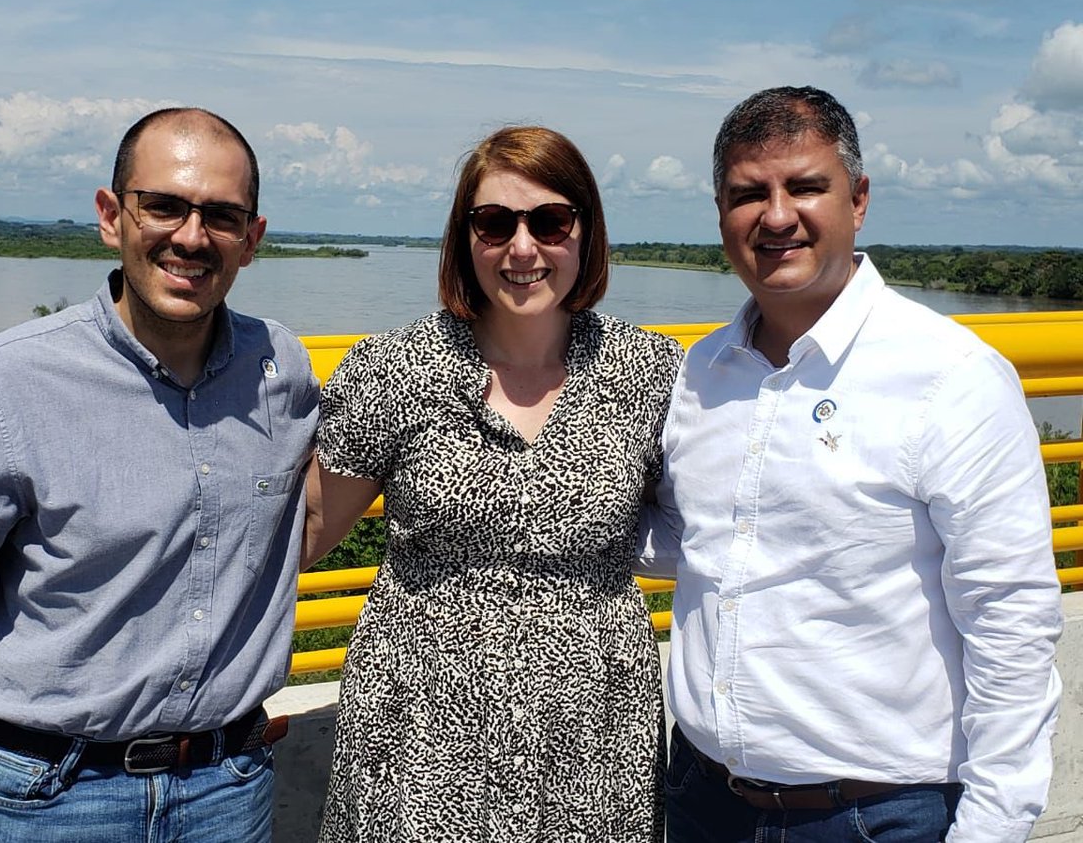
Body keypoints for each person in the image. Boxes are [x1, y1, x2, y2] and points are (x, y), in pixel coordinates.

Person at [639, 86, 1063, 843]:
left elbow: (1010, 618)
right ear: (719, 214)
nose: (775, 216)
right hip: (704, 798)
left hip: (876, 816)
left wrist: (992, 826)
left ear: (858, 200)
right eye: (747, 195)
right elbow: (691, 542)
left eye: (804, 186)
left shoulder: (950, 376)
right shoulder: (698, 374)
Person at [0, 107, 319, 843]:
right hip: (47, 797)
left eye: (220, 215)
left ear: (252, 240)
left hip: (228, 789)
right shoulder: (7, 385)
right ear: (111, 216)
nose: (190, 235)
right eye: (165, 206)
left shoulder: (281, 369)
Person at [304, 125, 682, 841]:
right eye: (494, 222)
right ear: (463, 238)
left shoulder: (650, 375)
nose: (522, 247)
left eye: (550, 221)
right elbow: (309, 531)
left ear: (585, 234)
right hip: (418, 731)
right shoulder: (397, 369)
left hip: (593, 734)